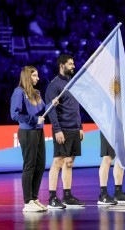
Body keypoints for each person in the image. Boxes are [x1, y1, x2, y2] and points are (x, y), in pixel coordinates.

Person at [10, 66, 59, 212]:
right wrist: (33, 119)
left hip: (39, 132)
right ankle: (27, 201)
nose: (38, 78)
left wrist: (52, 104)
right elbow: (15, 114)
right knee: (29, 166)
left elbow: (42, 112)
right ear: (27, 77)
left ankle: (34, 198)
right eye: (35, 76)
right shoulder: (18, 92)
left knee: (40, 165)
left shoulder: (37, 93)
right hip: (27, 132)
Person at [45, 53, 85, 209]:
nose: (73, 66)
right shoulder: (54, 85)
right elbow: (51, 110)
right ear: (61, 66)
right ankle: (52, 198)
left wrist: (80, 126)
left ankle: (67, 197)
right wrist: (57, 130)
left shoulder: (72, 83)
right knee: (58, 162)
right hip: (63, 129)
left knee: (69, 163)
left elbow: (76, 107)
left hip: (75, 128)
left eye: (73, 63)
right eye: (70, 64)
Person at [97, 132, 125, 205]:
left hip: (121, 128)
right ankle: (103, 194)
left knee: (120, 158)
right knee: (108, 158)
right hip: (108, 127)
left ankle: (118, 193)